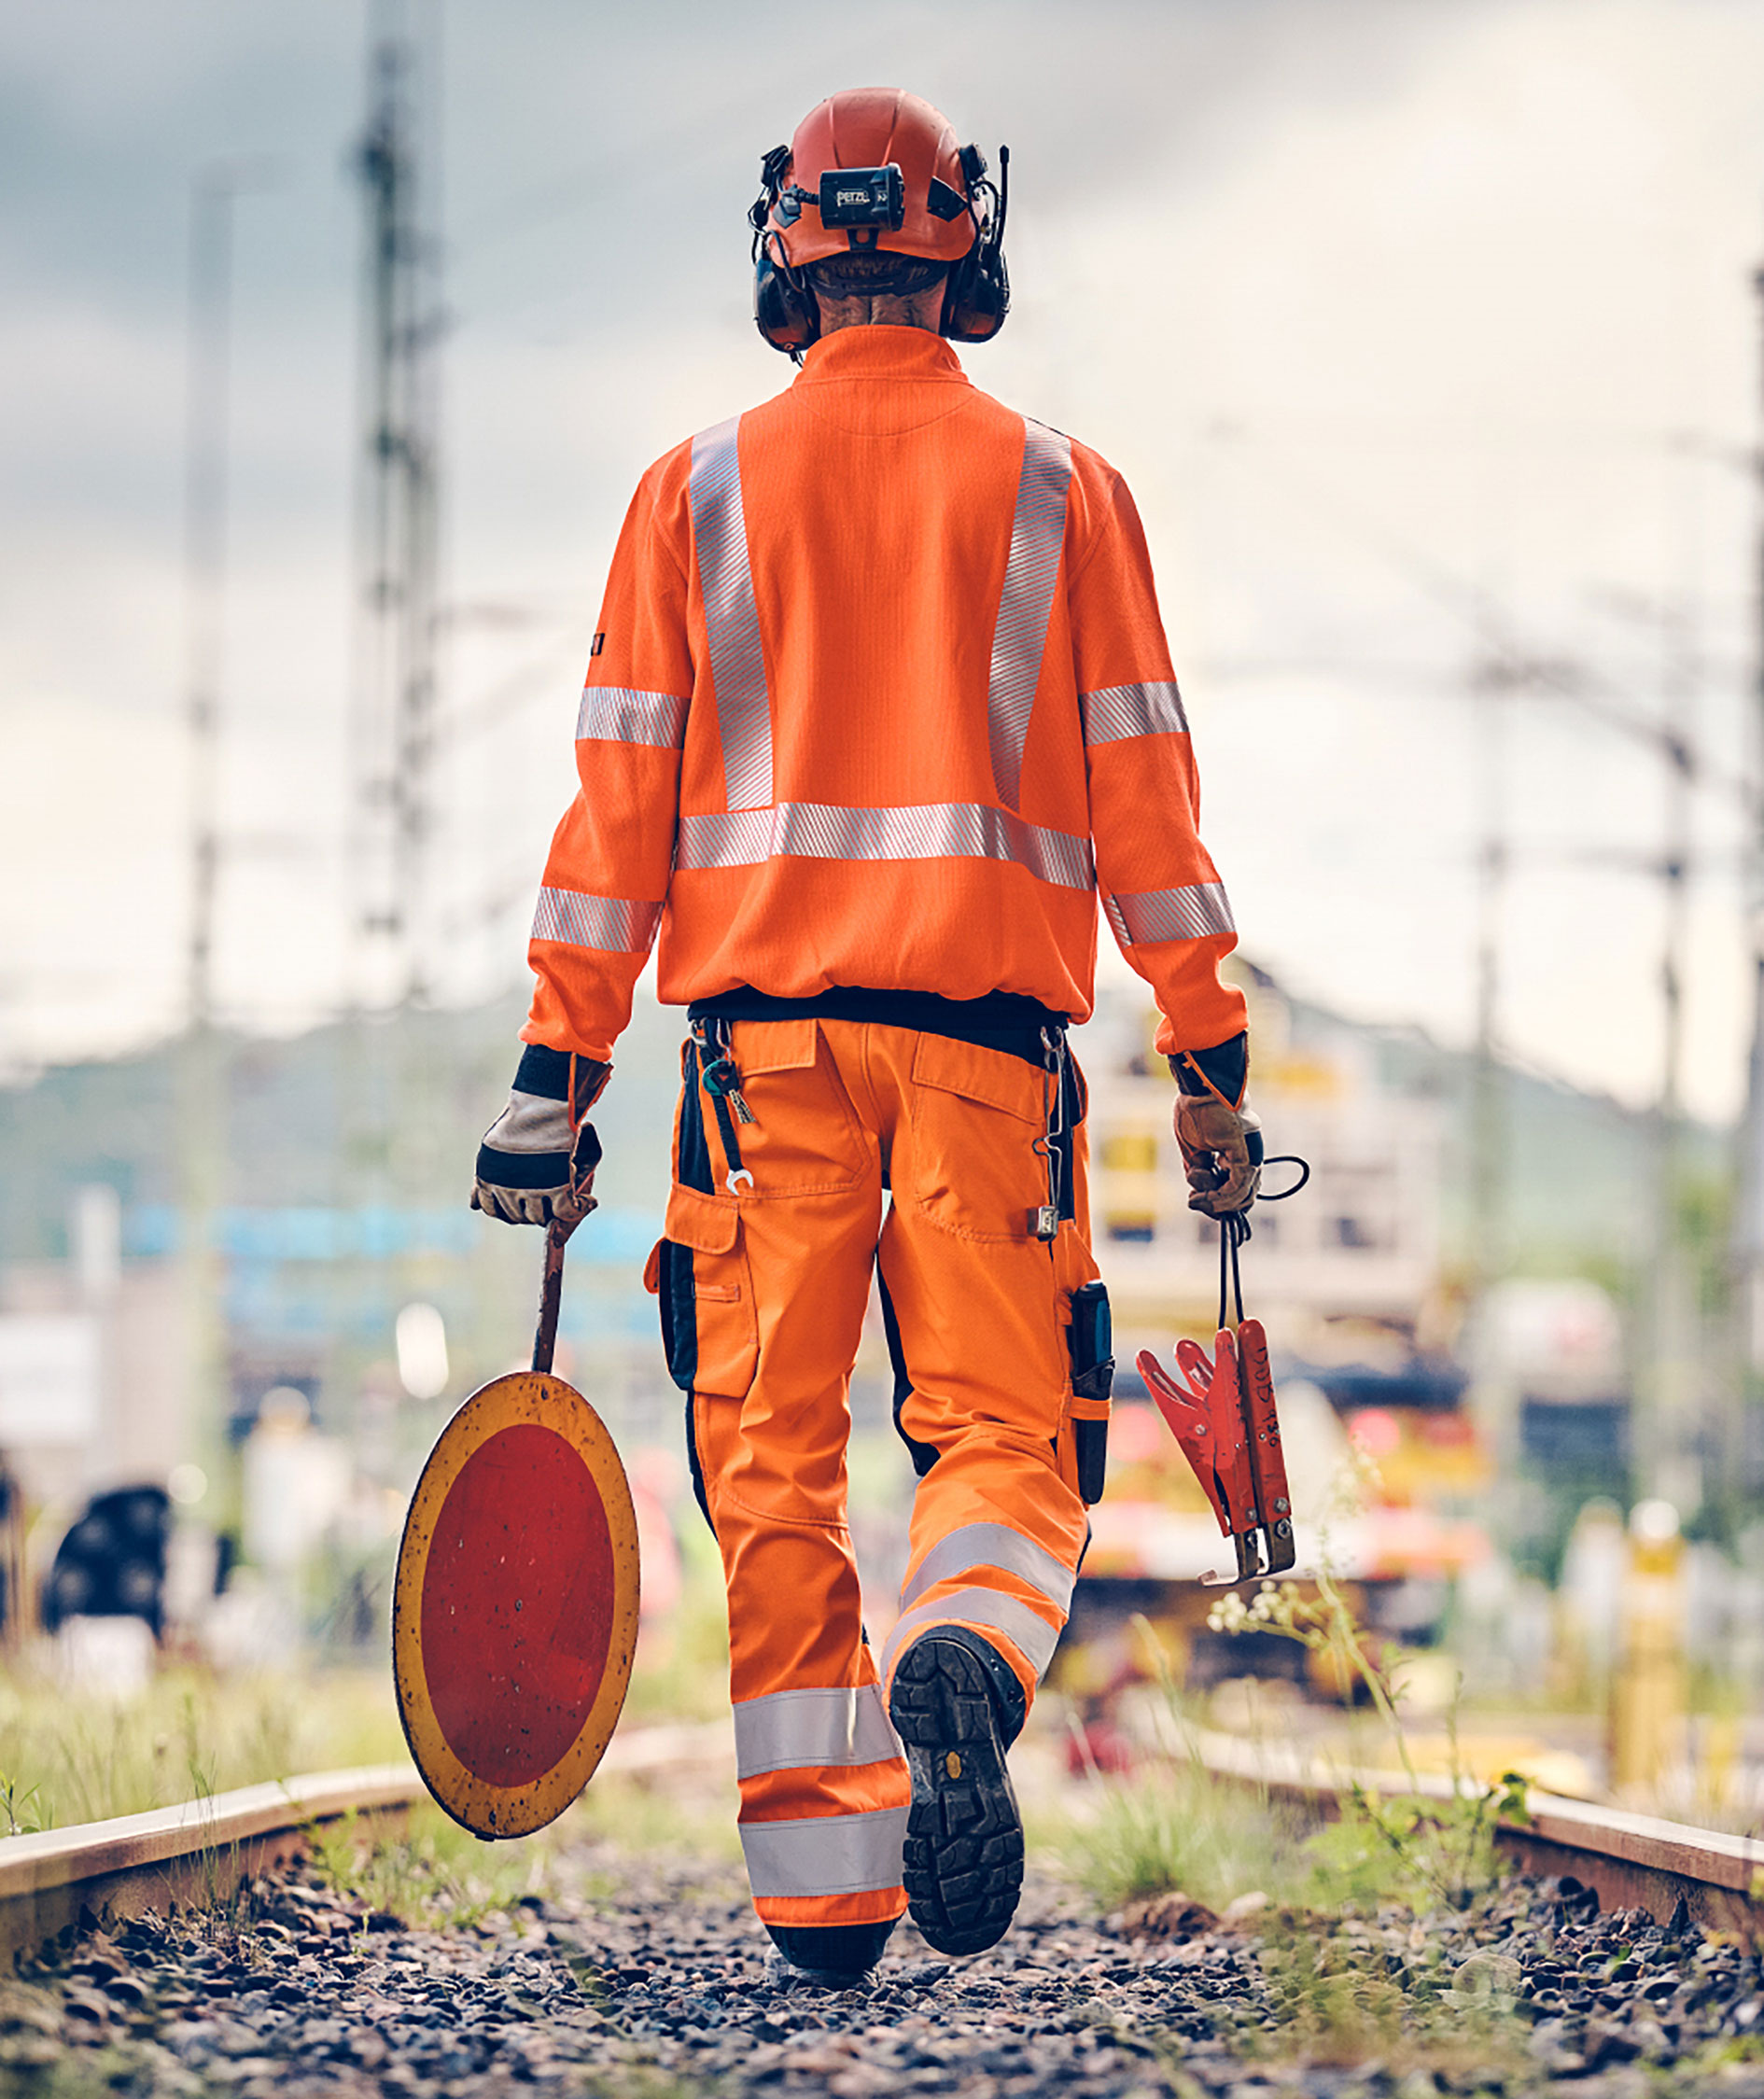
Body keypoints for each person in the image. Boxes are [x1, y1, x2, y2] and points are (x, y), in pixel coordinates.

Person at [472, 86, 1257, 1984]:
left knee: (773, 1470)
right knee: (1006, 1433)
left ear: (788, 254)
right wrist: (1211, 1047)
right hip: (990, 1063)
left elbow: (615, 826)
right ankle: (967, 1647)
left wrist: (553, 1076)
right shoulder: (1069, 494)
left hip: (761, 1082)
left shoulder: (692, 492)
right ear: (958, 248)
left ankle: (827, 1903)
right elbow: (1152, 802)